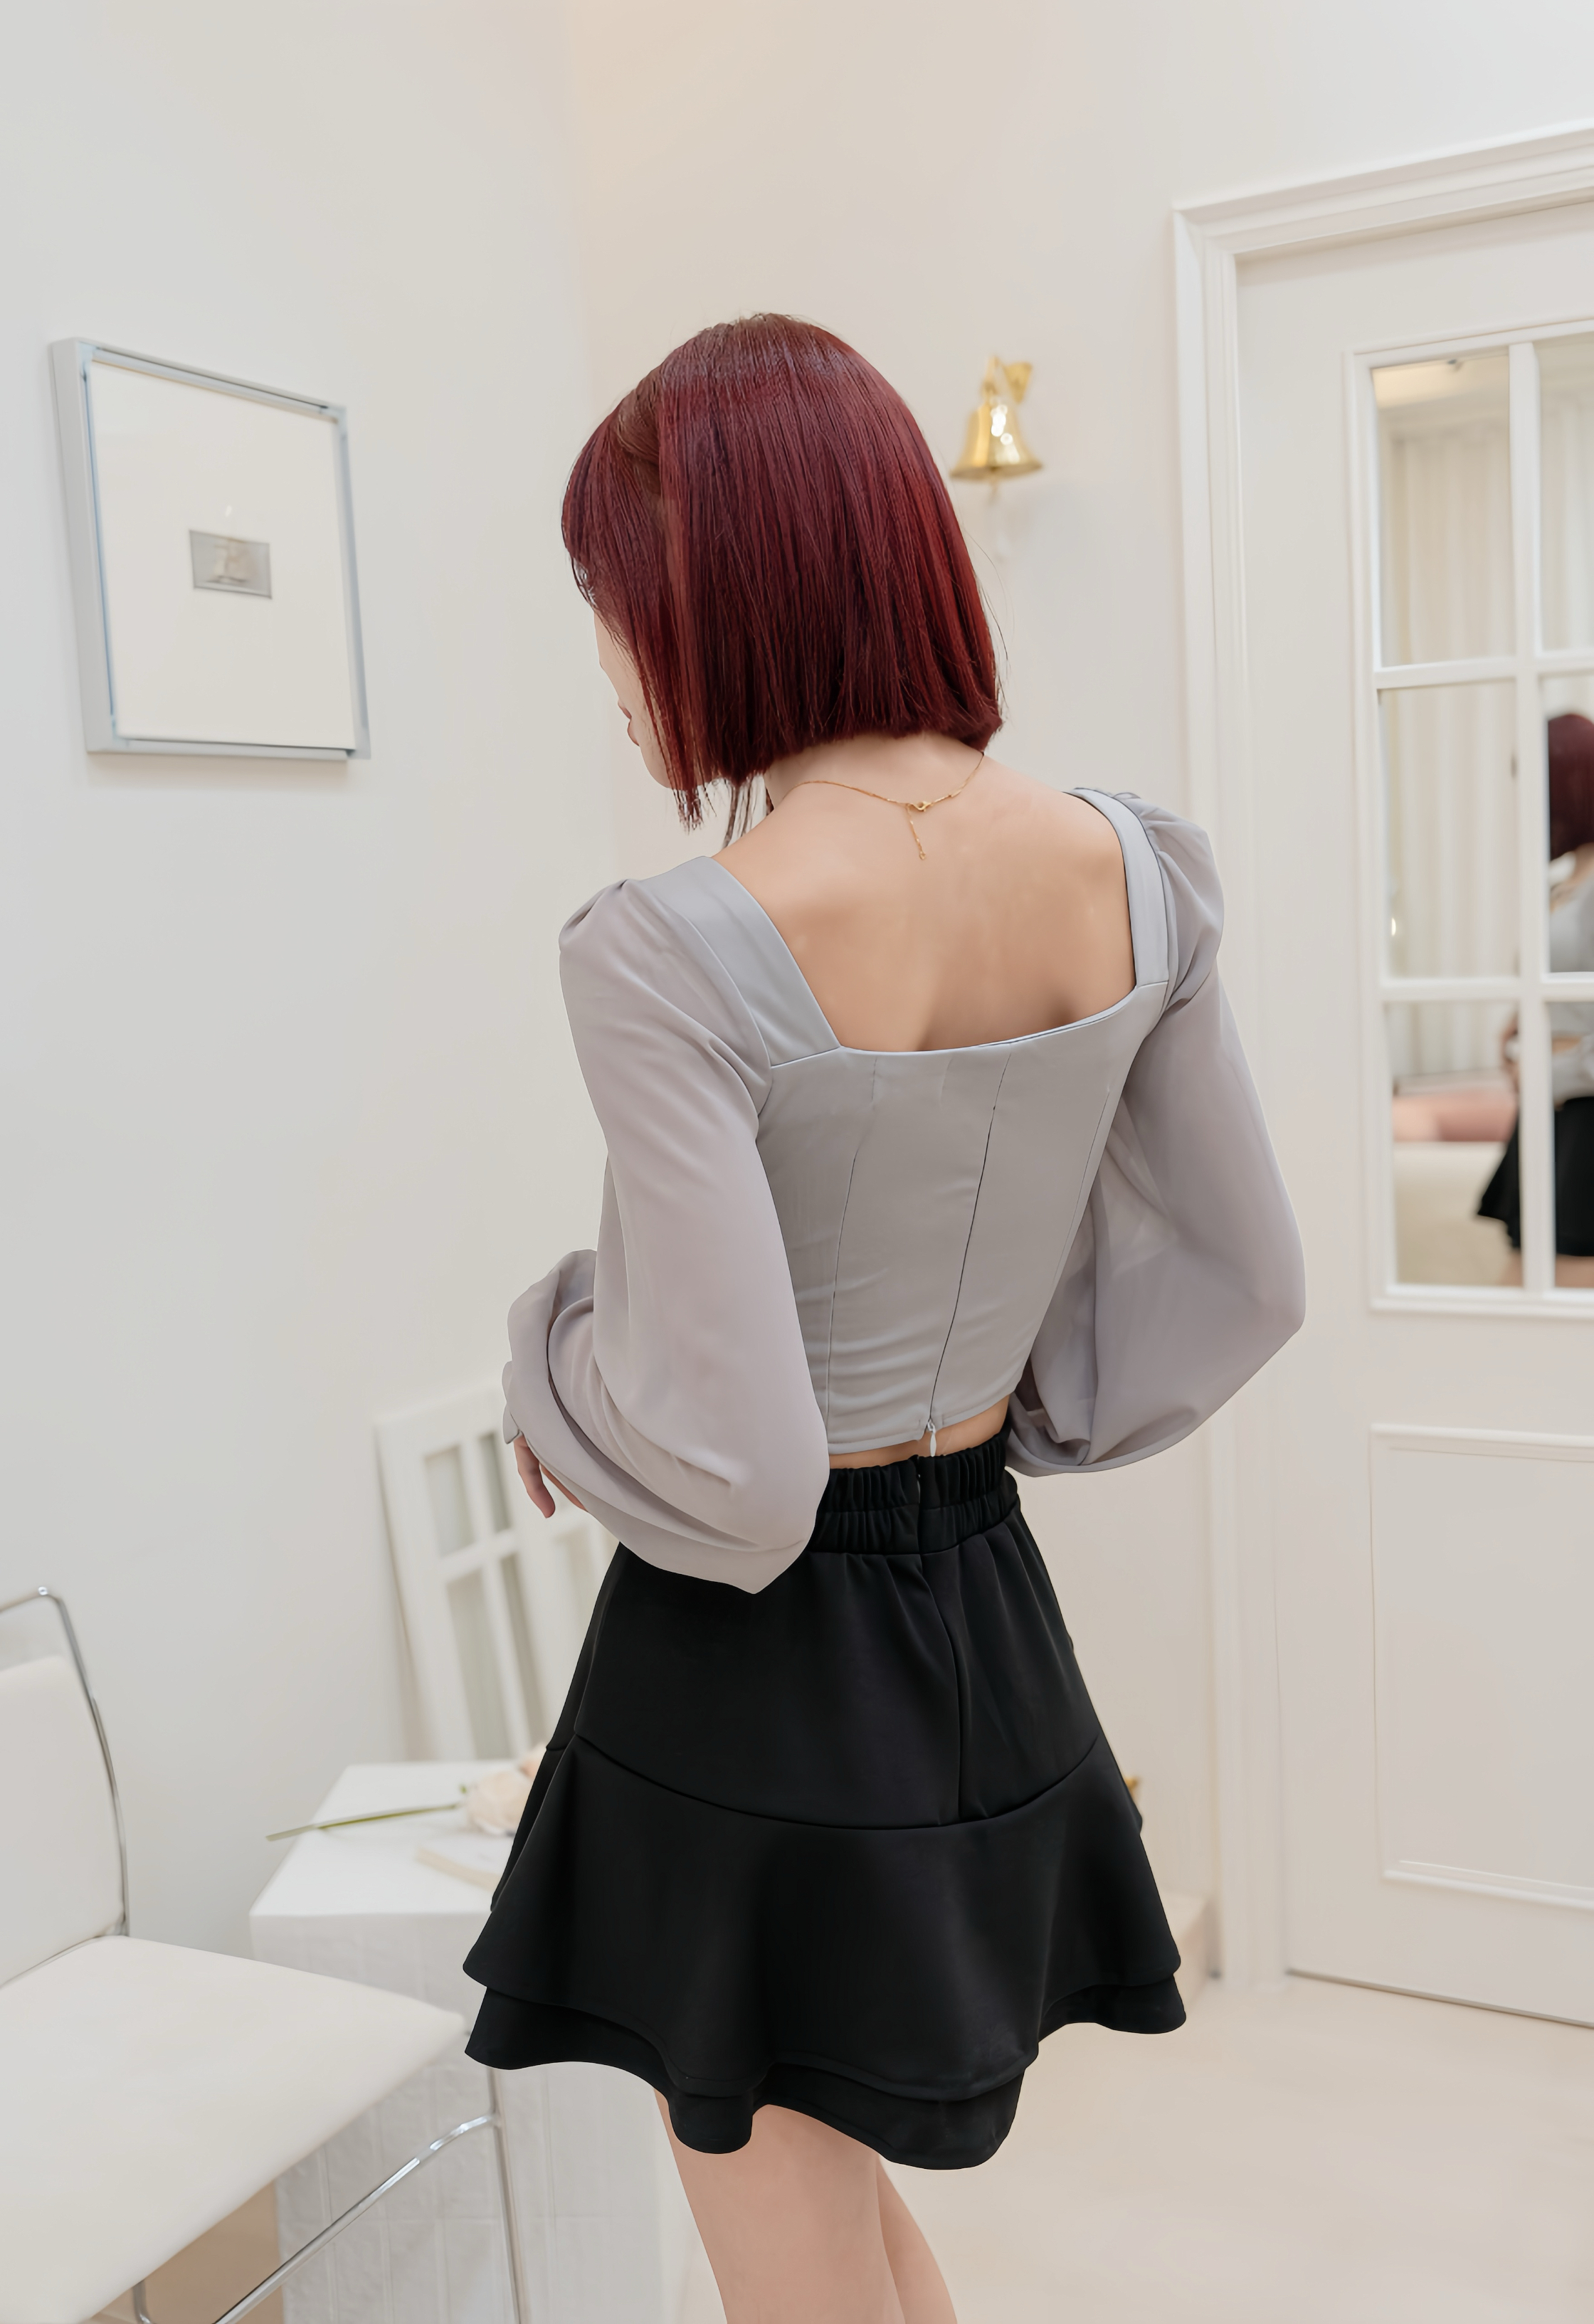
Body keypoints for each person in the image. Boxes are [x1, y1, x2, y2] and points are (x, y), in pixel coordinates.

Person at [463, 316, 1304, 2324]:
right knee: (834, 2222)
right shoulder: (1134, 867)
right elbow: (1246, 1278)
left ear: (710, 597)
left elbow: (741, 1470)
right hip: (980, 1609)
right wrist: (1005, 1423)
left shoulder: (670, 942)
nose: (614, 666)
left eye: (612, 609)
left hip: (744, 1672)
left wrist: (544, 1366)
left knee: (782, 2252)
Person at [1478, 710, 1594, 1285]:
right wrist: (1520, 1024)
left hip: (1582, 1113)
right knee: (1523, 1290)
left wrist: (1551, 1065)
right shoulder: (1565, 884)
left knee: (1547, 1295)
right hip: (1553, 1109)